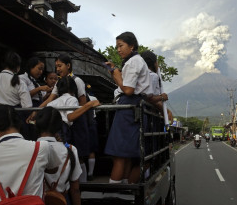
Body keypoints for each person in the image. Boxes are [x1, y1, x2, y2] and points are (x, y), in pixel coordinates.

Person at [104, 31, 152, 184]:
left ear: (131, 46)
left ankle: (113, 193)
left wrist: (116, 74)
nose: (118, 50)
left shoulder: (134, 62)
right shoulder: (135, 61)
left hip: (129, 107)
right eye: (116, 46)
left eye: (120, 46)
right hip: (134, 107)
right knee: (125, 154)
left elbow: (129, 90)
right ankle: (123, 189)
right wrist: (116, 72)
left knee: (119, 154)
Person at [35, 107, 84, 205]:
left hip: (36, 204)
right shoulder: (71, 150)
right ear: (59, 127)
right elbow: (75, 189)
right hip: (63, 203)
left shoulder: (30, 148)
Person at [47, 77, 100, 182]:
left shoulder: (52, 103)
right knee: (75, 159)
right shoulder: (72, 99)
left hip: (52, 133)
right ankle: (81, 186)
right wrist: (88, 105)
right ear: (74, 89)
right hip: (64, 133)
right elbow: (70, 117)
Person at [140, 50, 173, 121]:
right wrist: (162, 97)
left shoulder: (140, 74)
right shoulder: (153, 76)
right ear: (154, 63)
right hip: (146, 113)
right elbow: (149, 98)